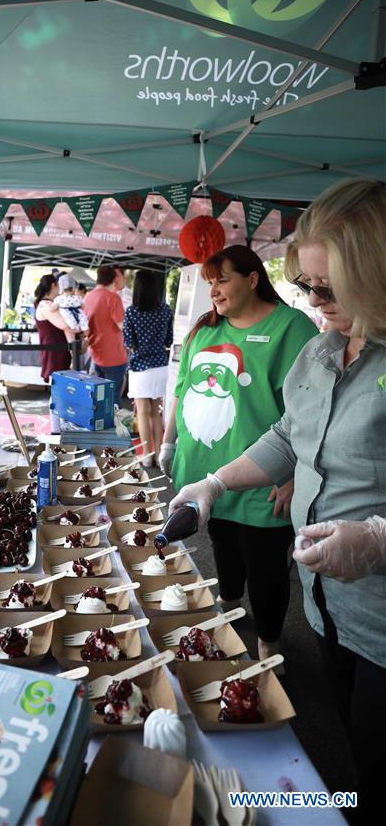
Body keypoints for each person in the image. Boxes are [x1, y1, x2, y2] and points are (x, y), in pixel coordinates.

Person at [169, 179, 386, 822]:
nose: (315, 301)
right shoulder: (322, 350)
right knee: (352, 755)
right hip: (328, 608)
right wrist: (215, 483)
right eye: (307, 286)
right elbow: (288, 435)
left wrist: (379, 536)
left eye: (329, 286)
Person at [160, 245, 318, 662]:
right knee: (223, 550)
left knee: (265, 566)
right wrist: (168, 441)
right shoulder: (205, 329)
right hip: (206, 473)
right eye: (209, 281)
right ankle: (229, 610)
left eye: (222, 279)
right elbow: (180, 392)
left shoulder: (293, 328)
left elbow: (311, 413)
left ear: (252, 279)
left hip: (264, 480)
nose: (214, 289)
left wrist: (294, 475)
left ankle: (269, 642)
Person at [123, 270, 173, 465]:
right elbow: (169, 339)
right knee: (155, 412)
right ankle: (161, 455)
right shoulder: (165, 310)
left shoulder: (132, 312)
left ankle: (146, 455)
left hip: (140, 367)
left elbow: (128, 342)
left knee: (142, 412)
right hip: (161, 366)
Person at [83, 265, 128, 405]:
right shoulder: (113, 298)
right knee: (113, 400)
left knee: (98, 399)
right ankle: (113, 427)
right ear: (113, 279)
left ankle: (99, 426)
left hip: (95, 353)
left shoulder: (87, 297)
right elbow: (123, 326)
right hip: (114, 356)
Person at [34, 274, 76, 381]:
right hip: (54, 354)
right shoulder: (45, 305)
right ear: (54, 285)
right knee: (58, 390)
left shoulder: (50, 304)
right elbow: (65, 324)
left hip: (59, 352)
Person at [50, 273, 89, 340]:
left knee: (71, 334)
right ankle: (84, 335)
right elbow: (83, 307)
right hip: (79, 315)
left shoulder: (59, 299)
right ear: (74, 288)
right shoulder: (78, 298)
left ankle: (72, 347)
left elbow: (52, 309)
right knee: (85, 325)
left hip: (69, 319)